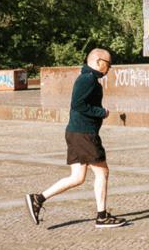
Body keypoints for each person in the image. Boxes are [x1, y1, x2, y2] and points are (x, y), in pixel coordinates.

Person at [25, 48, 127, 228]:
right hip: (84, 134)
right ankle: (102, 217)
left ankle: (37, 199)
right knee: (102, 172)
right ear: (98, 61)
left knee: (77, 177)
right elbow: (78, 104)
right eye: (108, 64)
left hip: (77, 132)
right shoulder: (87, 80)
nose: (109, 68)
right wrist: (101, 112)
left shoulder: (89, 78)